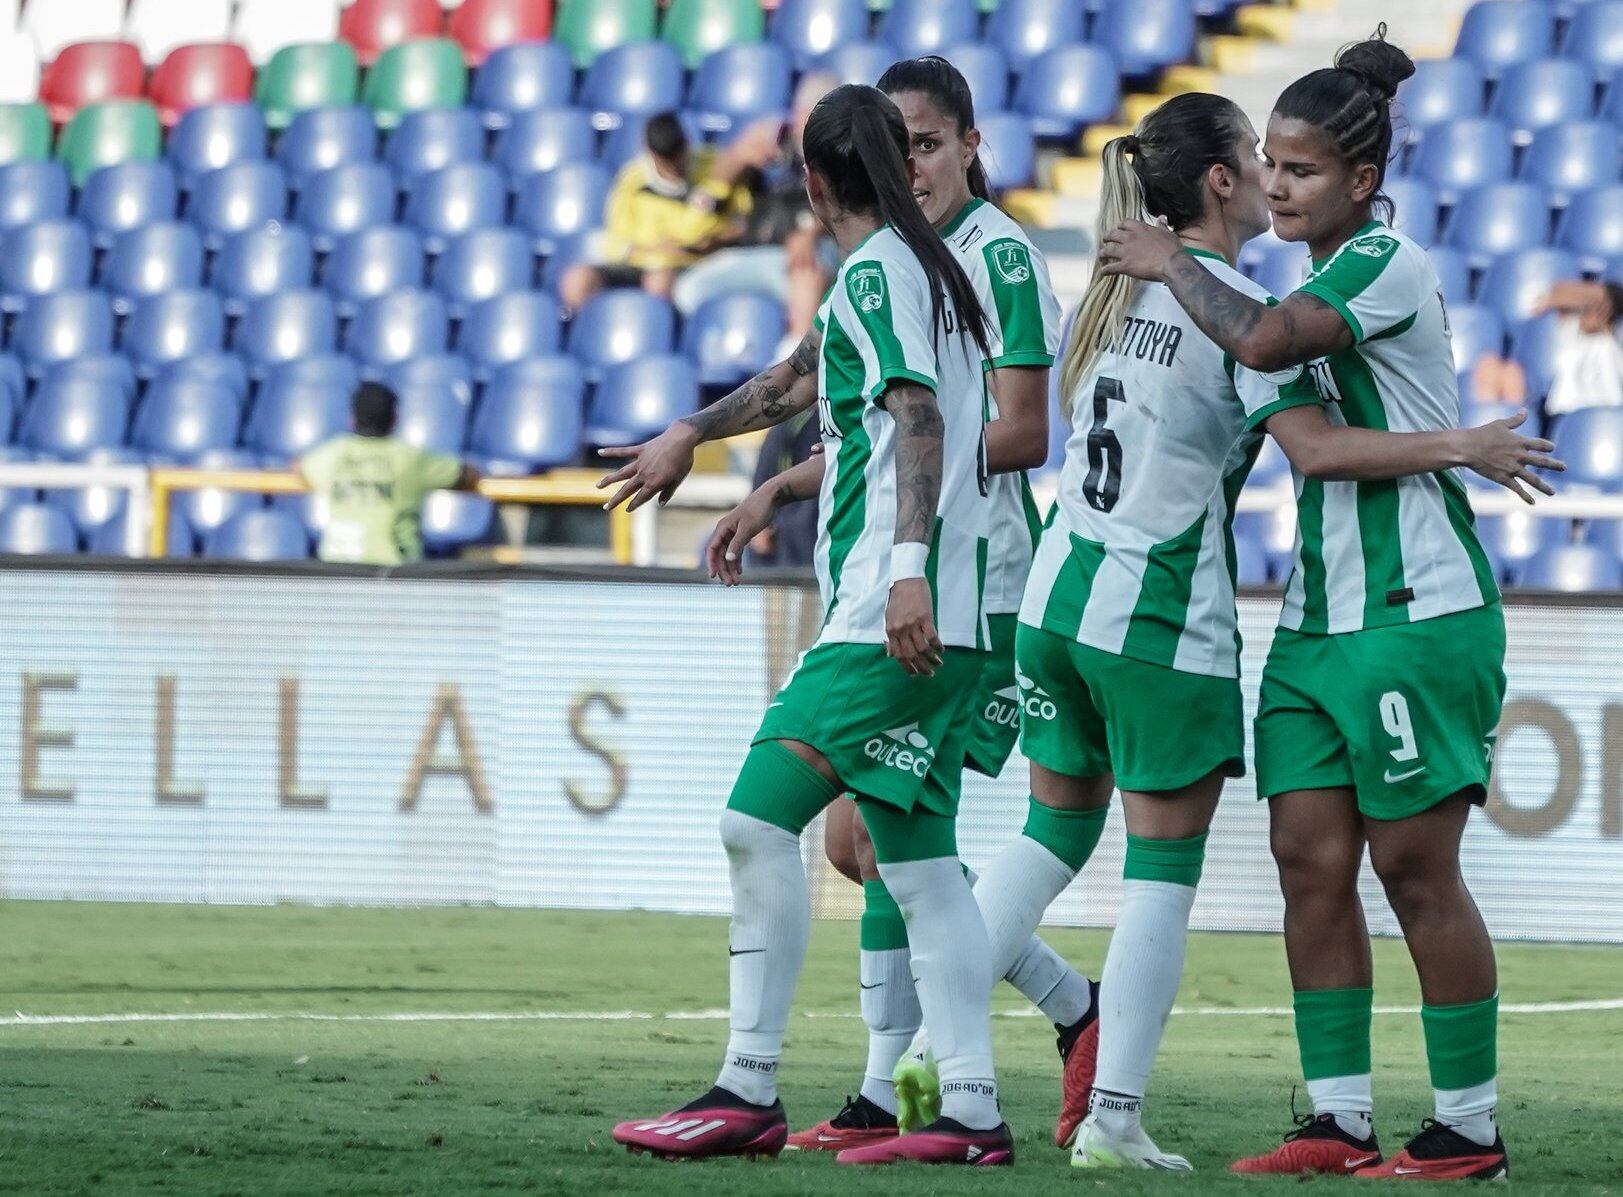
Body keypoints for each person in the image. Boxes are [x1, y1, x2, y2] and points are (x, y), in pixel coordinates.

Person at [1098, 28, 1563, 1180]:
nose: (1276, 184)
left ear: (1361, 181)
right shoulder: (1302, 288)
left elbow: (1257, 338)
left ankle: (1468, 1128)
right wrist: (1456, 440)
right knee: (1308, 860)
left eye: (1299, 170)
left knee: (1415, 868)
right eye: (1273, 165)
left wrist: (1168, 262)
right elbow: (1309, 448)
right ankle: (1338, 1119)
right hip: (1313, 625)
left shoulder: (1381, 268)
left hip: (1416, 609)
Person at [605, 83, 1020, 1167]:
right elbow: (797, 382)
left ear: (811, 180)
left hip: (893, 609)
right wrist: (697, 432)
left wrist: (909, 573)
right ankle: (971, 1108)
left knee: (755, 821)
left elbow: (918, 418)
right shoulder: (920, 267)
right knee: (922, 870)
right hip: (953, 612)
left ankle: (746, 1085)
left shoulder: (882, 268)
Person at [703, 56, 1095, 1156]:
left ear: (970, 144)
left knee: (851, 836)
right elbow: (840, 400)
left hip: (973, 583)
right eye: (898, 144)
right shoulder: (899, 263)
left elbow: (1020, 431)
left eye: (927, 142)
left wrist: (904, 521)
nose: (911, 162)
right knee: (874, 841)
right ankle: (940, 1085)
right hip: (923, 572)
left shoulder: (996, 254)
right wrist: (788, 475)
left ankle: (919, 1070)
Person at [673, 73, 839, 337]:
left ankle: (799, 362)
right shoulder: (773, 140)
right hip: (756, 249)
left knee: (806, 273)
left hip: (808, 253)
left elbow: (851, 206)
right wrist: (738, 155)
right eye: (805, 114)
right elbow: (712, 186)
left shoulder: (845, 153)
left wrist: (810, 234)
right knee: (689, 289)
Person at [559, 112, 750, 311]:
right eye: (666, 162)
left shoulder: (718, 167)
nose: (675, 168)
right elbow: (616, 243)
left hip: (693, 263)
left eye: (679, 157)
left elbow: (743, 223)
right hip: (641, 263)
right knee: (577, 281)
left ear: (686, 144)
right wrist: (656, 250)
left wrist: (715, 241)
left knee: (659, 281)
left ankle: (660, 335)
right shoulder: (632, 181)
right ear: (651, 152)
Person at [298, 382, 480, 566]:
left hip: (336, 567)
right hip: (394, 570)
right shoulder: (409, 458)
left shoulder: (332, 454)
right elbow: (465, 474)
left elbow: (301, 466)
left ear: (352, 418)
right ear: (395, 418)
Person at [1472, 281, 1623, 421]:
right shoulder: (1575, 331)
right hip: (1560, 416)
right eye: (1587, 308)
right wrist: (1552, 299)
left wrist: (1603, 297)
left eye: (1598, 308)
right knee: (1496, 368)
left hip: (1605, 418)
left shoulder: (1613, 342)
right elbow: (1559, 292)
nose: (1589, 313)